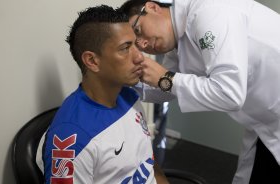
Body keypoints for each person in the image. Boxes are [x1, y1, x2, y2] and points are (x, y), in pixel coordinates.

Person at [119, 0, 280, 183]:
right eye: (134, 44)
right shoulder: (178, 40)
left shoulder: (209, 13)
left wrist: (165, 78)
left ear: (152, 7)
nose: (143, 44)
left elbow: (229, 94)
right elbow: (165, 89)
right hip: (265, 120)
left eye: (138, 30)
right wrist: (125, 82)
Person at [36, 5, 169, 184]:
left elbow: (149, 164)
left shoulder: (129, 96)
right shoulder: (73, 138)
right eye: (125, 48)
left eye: (135, 44)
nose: (140, 57)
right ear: (92, 61)